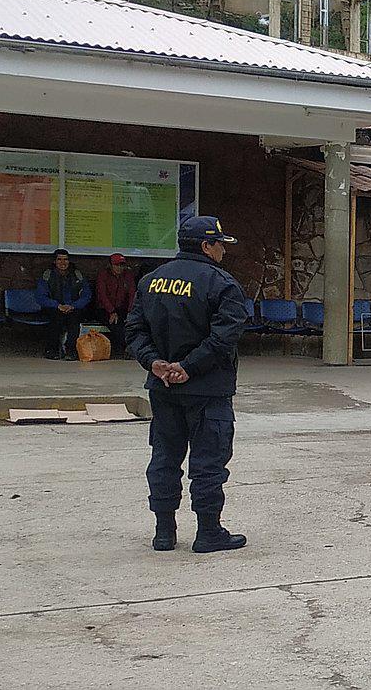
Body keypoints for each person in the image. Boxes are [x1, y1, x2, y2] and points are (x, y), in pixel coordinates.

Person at [125, 216, 250, 554]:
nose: (223, 250)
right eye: (220, 243)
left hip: (162, 387)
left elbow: (134, 331)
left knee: (165, 456)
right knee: (209, 461)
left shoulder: (150, 282)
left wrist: (155, 363)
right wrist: (189, 367)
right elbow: (225, 337)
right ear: (206, 246)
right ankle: (208, 532)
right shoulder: (222, 284)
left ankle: (164, 532)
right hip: (207, 389)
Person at [36, 249, 90, 360]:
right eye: (59, 259)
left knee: (74, 321)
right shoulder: (48, 275)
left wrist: (74, 306)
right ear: (54, 262)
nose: (63, 262)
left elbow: (86, 295)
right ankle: (52, 350)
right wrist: (57, 305)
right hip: (54, 307)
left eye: (65, 259)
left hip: (73, 307)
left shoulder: (77, 275)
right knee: (56, 319)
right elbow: (40, 297)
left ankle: (71, 351)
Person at [96, 253, 137, 357]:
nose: (119, 268)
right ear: (111, 265)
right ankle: (119, 350)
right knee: (116, 325)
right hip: (105, 309)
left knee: (131, 324)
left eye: (122, 265)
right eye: (117, 265)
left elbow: (132, 294)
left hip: (122, 308)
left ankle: (129, 350)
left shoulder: (128, 275)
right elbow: (102, 295)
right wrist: (111, 311)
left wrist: (130, 312)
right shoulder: (103, 275)